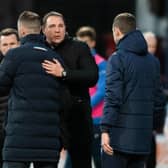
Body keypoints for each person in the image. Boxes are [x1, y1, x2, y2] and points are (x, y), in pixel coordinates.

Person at [0, 11, 66, 168]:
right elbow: (64, 98)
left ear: (21, 32)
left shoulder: (14, 56)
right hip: (48, 141)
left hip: (19, 140)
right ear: (41, 30)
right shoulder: (54, 57)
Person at [100, 13, 165, 168]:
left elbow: (113, 97)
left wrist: (105, 129)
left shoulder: (117, 58)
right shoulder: (153, 62)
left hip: (118, 140)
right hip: (143, 139)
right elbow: (159, 99)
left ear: (116, 31)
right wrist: (153, 127)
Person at [42, 11, 98, 168]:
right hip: (49, 119)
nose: (57, 30)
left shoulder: (80, 47)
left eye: (61, 25)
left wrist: (64, 73)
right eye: (52, 26)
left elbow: (92, 76)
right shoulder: (39, 50)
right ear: (43, 29)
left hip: (77, 118)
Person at [76, 26, 106, 168]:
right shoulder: (75, 62)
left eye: (86, 42)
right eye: (81, 42)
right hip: (79, 119)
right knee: (75, 159)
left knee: (98, 160)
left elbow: (101, 91)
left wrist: (83, 106)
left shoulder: (101, 63)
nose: (84, 46)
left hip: (95, 121)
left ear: (93, 42)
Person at [143, 31, 166, 168]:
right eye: (149, 46)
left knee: (150, 159)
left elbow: (158, 95)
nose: (151, 50)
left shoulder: (155, 63)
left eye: (154, 47)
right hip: (135, 121)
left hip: (150, 121)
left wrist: (158, 124)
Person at [0, 27, 20, 168]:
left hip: (19, 129)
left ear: (19, 43)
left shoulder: (28, 67)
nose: (8, 48)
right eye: (5, 44)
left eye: (12, 44)